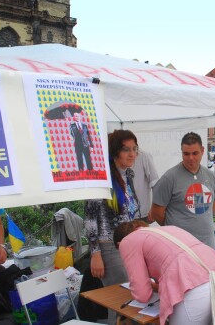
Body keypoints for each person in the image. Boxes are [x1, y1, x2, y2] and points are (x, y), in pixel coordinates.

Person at [114, 220, 215, 325]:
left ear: (119, 244)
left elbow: (142, 295)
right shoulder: (168, 229)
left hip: (196, 293)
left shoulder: (127, 241)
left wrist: (148, 286)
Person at [83, 129, 142, 324]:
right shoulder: (101, 179)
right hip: (109, 247)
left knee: (130, 299)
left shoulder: (128, 175)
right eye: (126, 149)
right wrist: (95, 253)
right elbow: (90, 218)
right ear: (115, 151)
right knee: (121, 302)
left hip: (129, 244)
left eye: (134, 149)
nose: (132, 154)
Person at [151, 132, 215, 248]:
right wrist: (174, 230)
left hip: (207, 245)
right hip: (180, 247)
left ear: (202, 151)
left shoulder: (210, 175)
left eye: (195, 153)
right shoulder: (169, 178)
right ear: (181, 152)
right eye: (186, 154)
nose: (191, 158)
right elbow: (156, 212)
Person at [132, 149, 159, 222]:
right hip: (120, 214)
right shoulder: (112, 156)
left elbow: (155, 183)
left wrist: (154, 208)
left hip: (140, 214)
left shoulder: (143, 156)